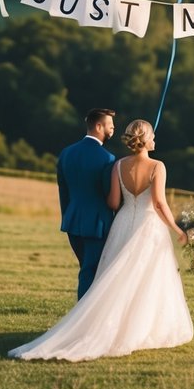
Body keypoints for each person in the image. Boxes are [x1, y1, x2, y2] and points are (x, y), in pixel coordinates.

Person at [9, 119, 193, 361]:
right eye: (153, 136)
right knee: (146, 278)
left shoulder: (117, 166)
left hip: (123, 223)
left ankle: (108, 324)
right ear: (146, 139)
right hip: (148, 227)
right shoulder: (158, 166)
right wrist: (177, 229)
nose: (155, 140)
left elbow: (113, 203)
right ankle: (138, 328)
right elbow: (159, 203)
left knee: (118, 277)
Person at [56, 108, 116, 300]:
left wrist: (67, 216)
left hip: (72, 221)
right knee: (91, 273)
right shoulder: (107, 158)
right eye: (110, 126)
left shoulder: (66, 153)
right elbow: (110, 197)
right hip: (97, 225)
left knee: (86, 269)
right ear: (99, 126)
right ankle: (82, 322)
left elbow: (63, 192)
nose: (113, 130)